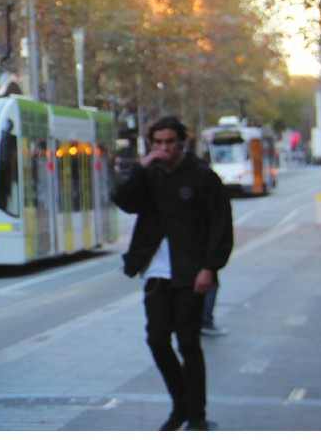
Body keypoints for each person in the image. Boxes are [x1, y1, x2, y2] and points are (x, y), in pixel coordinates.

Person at [113, 116, 233, 431]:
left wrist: (210, 268)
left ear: (181, 142)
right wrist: (140, 167)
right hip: (156, 273)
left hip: (191, 273)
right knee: (156, 339)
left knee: (188, 343)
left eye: (169, 142)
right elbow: (123, 201)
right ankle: (181, 405)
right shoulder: (149, 174)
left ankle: (196, 416)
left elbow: (221, 225)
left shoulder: (202, 176)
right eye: (158, 142)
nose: (164, 148)